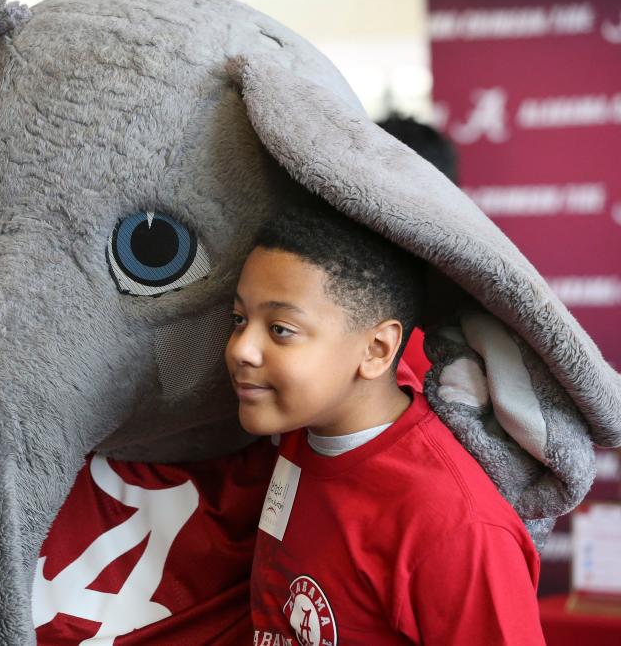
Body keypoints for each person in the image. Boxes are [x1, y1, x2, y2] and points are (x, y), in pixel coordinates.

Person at [226, 196, 544, 645]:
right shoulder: (299, 436)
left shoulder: (457, 528)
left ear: (376, 350)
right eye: (239, 319)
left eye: (281, 329)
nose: (241, 348)